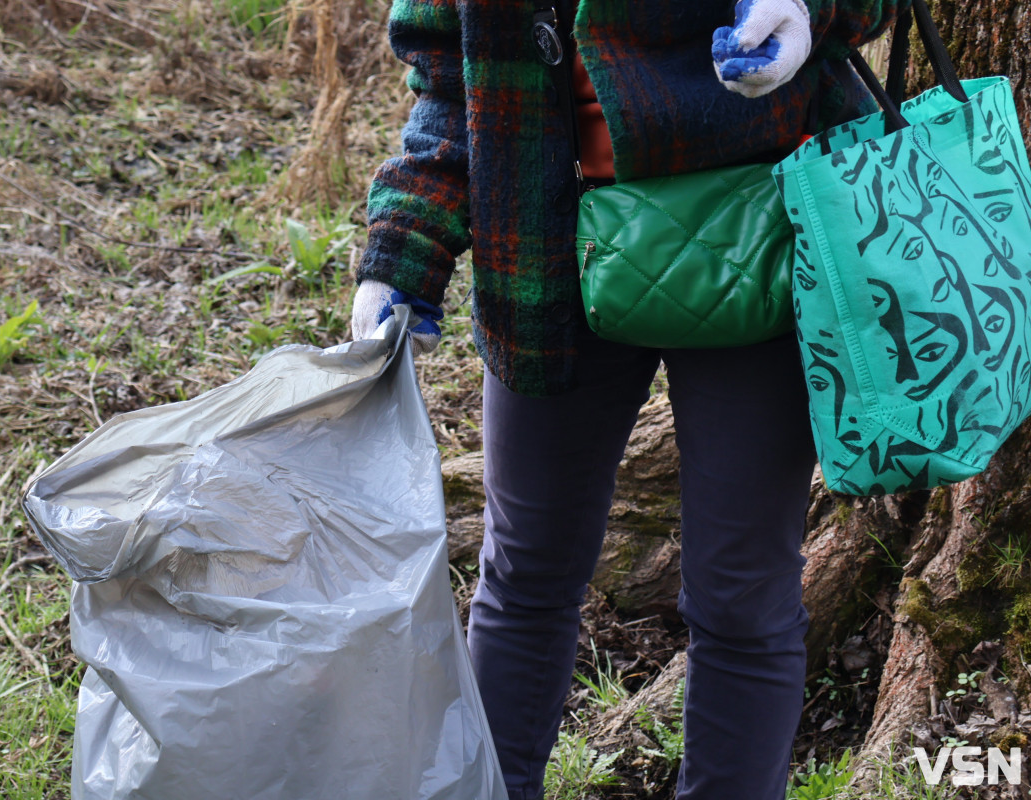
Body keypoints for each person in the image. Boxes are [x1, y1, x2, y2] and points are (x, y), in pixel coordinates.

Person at [351, 0, 906, 797]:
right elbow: (448, 71)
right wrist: (400, 255)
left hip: (765, 231)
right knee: (525, 574)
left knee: (743, 596)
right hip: (544, 249)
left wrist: (804, 10)